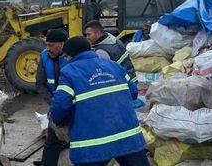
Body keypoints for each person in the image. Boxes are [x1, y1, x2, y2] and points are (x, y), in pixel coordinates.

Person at [49, 36, 149, 166]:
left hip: (93, 143)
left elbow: (60, 105)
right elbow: (133, 93)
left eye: (66, 57)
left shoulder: (70, 72)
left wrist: (57, 120)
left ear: (69, 55)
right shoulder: (115, 66)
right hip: (128, 137)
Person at [35, 28, 69, 166]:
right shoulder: (44, 56)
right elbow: (40, 84)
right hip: (56, 106)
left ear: (61, 44)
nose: (47, 48)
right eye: (46, 44)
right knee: (51, 142)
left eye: (51, 45)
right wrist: (53, 102)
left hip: (73, 106)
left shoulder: (71, 57)